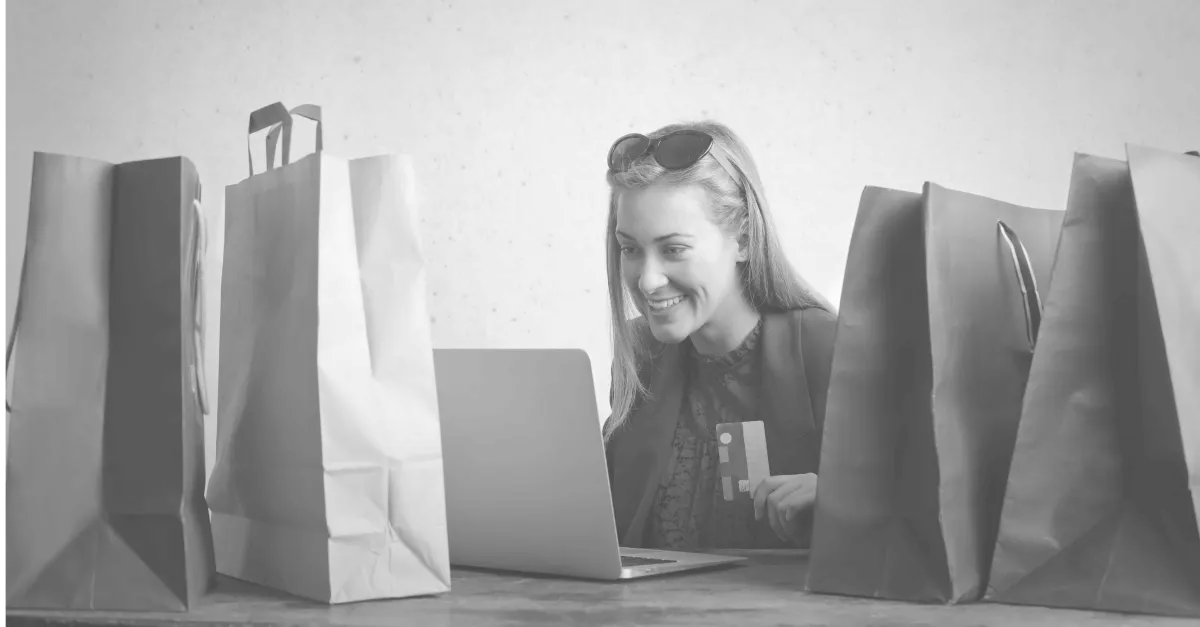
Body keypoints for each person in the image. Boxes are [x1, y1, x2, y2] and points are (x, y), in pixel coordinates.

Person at [601, 121, 838, 551]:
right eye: (630, 248)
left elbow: (923, 509)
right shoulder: (640, 357)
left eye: (673, 249)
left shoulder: (826, 350)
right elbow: (609, 524)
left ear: (744, 238)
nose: (648, 281)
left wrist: (847, 501)